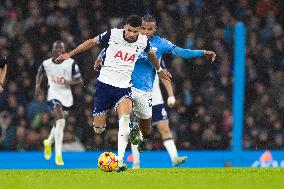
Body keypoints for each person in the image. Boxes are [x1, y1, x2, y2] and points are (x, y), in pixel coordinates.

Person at [56, 15, 171, 172]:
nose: (131, 34)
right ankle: (123, 133)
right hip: (104, 87)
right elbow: (91, 42)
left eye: (135, 32)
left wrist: (159, 69)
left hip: (124, 89)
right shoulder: (112, 34)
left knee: (124, 120)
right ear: (124, 27)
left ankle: (120, 161)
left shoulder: (143, 41)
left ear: (139, 31)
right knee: (98, 128)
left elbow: (151, 54)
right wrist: (70, 54)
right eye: (129, 30)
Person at [129, 14, 216, 168]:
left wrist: (201, 52)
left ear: (155, 29)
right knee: (139, 131)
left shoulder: (159, 47)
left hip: (154, 96)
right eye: (143, 28)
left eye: (150, 29)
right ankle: (136, 164)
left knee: (163, 127)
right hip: (136, 94)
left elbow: (178, 57)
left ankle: (175, 159)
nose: (146, 32)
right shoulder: (129, 42)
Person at [35, 41, 83, 166]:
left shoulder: (71, 63)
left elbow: (79, 80)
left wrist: (68, 82)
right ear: (52, 49)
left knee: (59, 123)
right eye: (56, 47)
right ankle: (58, 155)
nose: (58, 50)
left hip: (66, 97)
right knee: (60, 120)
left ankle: (48, 142)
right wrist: (37, 86)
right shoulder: (46, 63)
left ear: (64, 49)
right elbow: (40, 72)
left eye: (61, 47)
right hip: (53, 95)